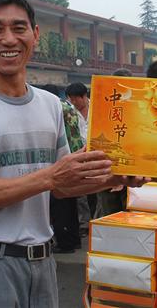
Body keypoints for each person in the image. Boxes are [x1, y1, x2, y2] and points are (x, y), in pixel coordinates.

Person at [0, 0, 145, 307]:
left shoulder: (50, 104)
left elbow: (63, 186)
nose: (9, 39)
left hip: (43, 261)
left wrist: (115, 177)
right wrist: (50, 177)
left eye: (19, 28)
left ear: (35, 35)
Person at [43, 84, 82, 254]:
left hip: (61, 161)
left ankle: (65, 243)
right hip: (75, 157)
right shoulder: (68, 107)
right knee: (71, 204)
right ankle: (74, 239)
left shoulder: (53, 107)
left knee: (60, 205)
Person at [96, 68, 133, 218]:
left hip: (128, 174)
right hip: (110, 171)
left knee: (120, 215)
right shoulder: (103, 105)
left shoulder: (135, 107)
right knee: (112, 216)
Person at [65, 82, 98, 224]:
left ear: (84, 96)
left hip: (96, 155)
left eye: (75, 99)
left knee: (97, 190)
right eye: (70, 99)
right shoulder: (70, 112)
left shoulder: (97, 108)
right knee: (82, 192)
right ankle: (85, 223)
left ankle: (96, 220)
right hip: (80, 155)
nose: (73, 102)